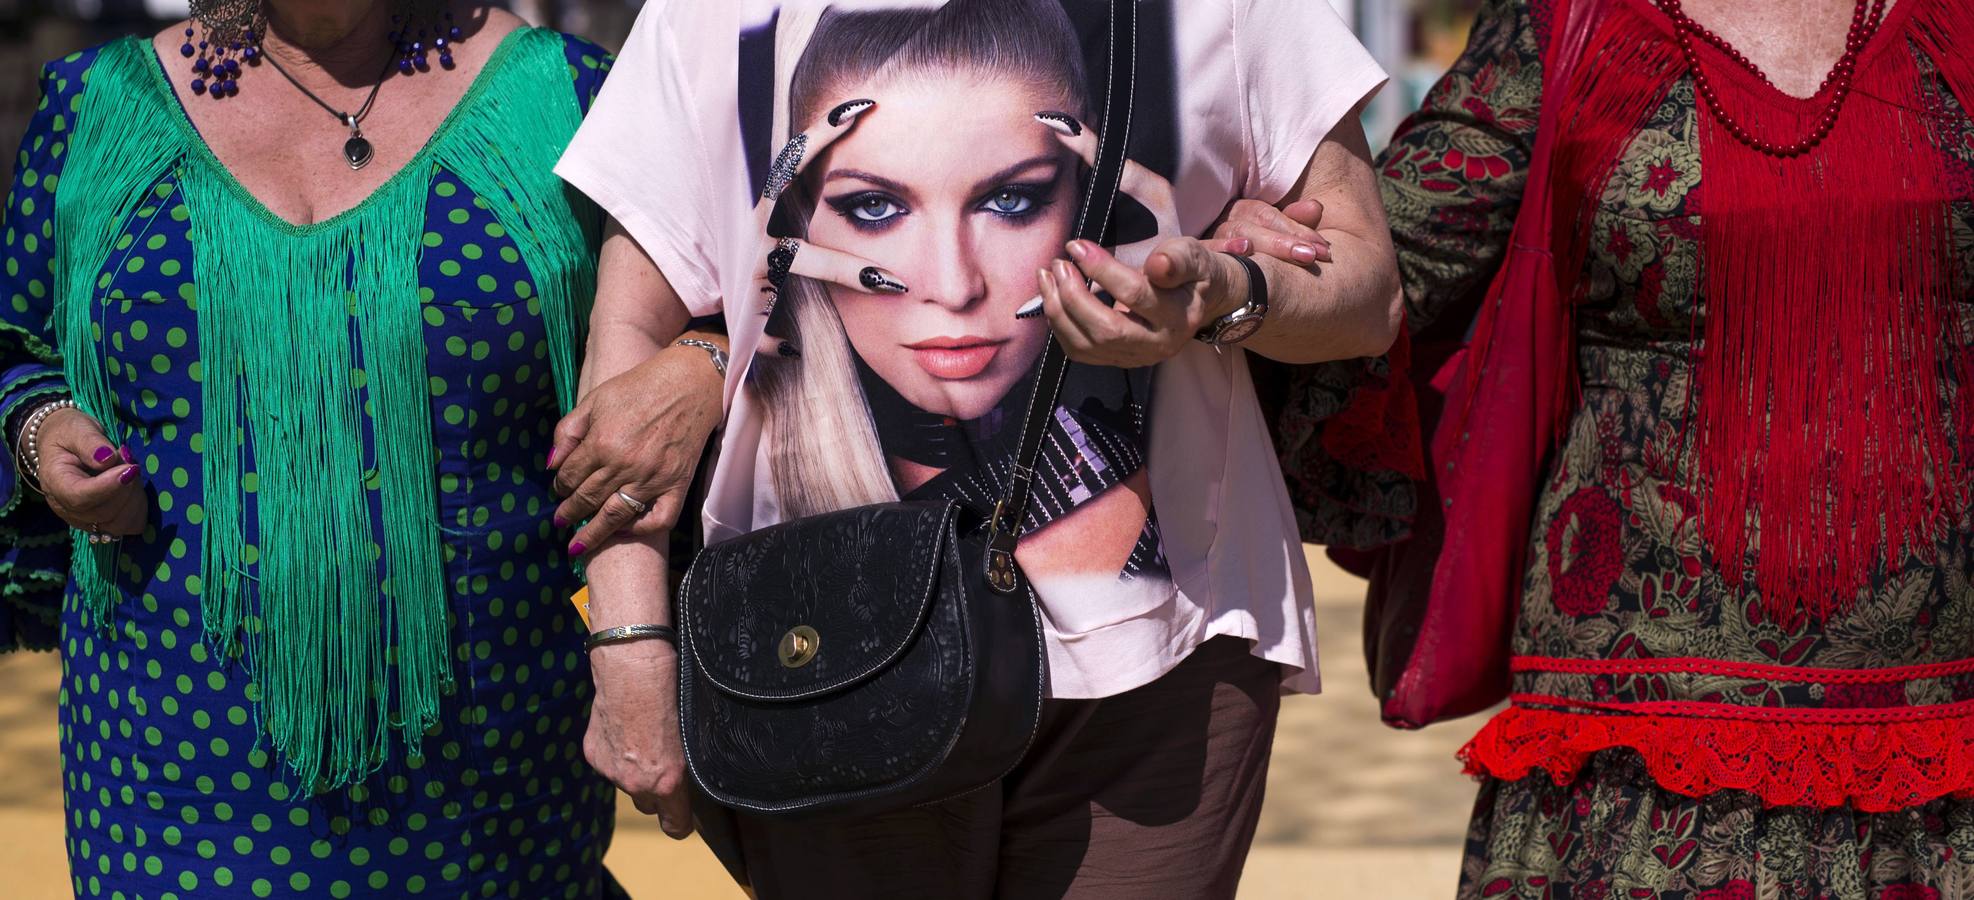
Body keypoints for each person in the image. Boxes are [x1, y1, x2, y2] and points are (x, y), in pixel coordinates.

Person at [553, 0, 1402, 896]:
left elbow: (1368, 287)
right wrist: (629, 644)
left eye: (1013, 198)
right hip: (813, 660)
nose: (953, 285)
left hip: (1163, 669)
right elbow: (627, 347)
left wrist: (1229, 292)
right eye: (873, 206)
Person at [0, 0, 717, 894]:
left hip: (491, 767)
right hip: (170, 763)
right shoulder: (96, 106)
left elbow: (723, 306)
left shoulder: (565, 96)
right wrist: (40, 431)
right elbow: (19, 355)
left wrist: (702, 362)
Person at [1259, 0, 1974, 894]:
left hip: (1942, 750)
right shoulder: (1568, 22)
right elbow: (1381, 266)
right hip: (1631, 752)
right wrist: (1247, 273)